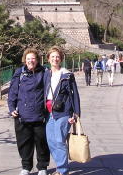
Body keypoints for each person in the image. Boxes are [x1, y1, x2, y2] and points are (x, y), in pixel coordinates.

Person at [8, 48, 50, 175]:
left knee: (42, 143)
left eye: (33, 58)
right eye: (28, 59)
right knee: (24, 143)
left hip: (40, 115)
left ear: (37, 60)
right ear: (24, 60)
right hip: (22, 115)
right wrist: (11, 108)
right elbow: (12, 92)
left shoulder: (44, 72)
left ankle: (42, 167)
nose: (31, 61)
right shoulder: (19, 73)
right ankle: (26, 167)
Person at [44, 46, 81, 175]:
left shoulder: (67, 75)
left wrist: (76, 114)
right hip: (49, 112)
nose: (55, 59)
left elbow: (74, 94)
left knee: (59, 140)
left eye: (57, 57)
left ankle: (62, 170)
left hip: (64, 112)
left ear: (61, 59)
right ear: (48, 59)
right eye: (53, 56)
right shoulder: (46, 74)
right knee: (51, 141)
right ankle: (61, 166)